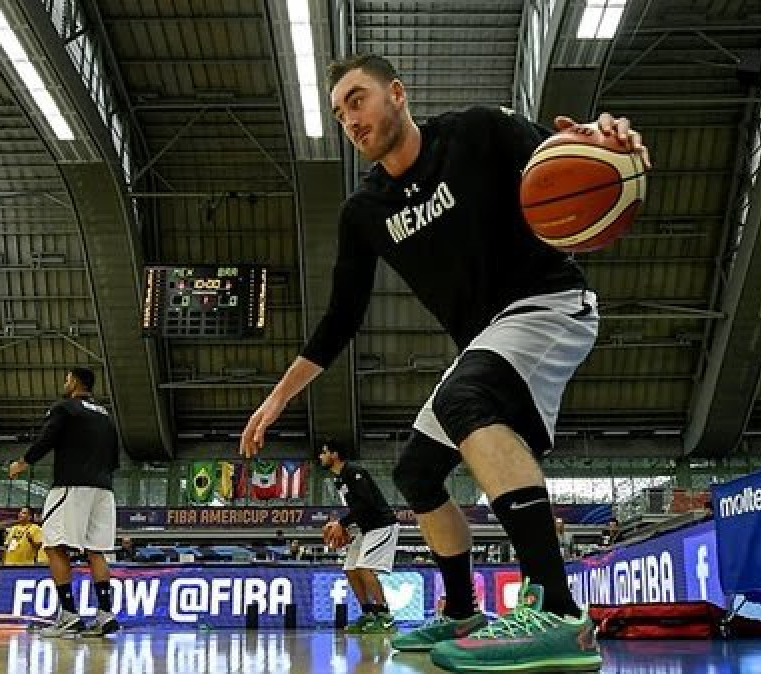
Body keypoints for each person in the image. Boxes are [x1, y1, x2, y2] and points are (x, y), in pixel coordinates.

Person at [240, 52, 649, 673]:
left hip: (549, 302)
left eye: (357, 100)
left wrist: (613, 139)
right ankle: (462, 609)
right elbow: (340, 318)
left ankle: (559, 612)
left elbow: (579, 149)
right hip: (489, 335)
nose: (349, 120)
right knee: (417, 472)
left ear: (397, 94)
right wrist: (279, 397)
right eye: (340, 112)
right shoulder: (364, 212)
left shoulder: (479, 131)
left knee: (466, 402)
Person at [8, 367, 120, 638]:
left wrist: (23, 462)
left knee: (54, 545)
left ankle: (69, 615)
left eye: (67, 378)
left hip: (72, 486)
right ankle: (105, 616)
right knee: (96, 551)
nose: (64, 382)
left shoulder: (65, 408)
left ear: (76, 383)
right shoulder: (105, 415)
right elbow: (115, 456)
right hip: (104, 490)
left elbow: (48, 437)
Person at [318, 438, 400, 634]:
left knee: (364, 568)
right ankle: (368, 614)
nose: (320, 457)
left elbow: (367, 503)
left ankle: (385, 616)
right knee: (350, 569)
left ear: (334, 455)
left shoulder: (354, 472)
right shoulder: (339, 480)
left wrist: (342, 524)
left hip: (382, 525)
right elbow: (358, 510)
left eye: (323, 452)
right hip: (366, 529)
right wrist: (344, 526)